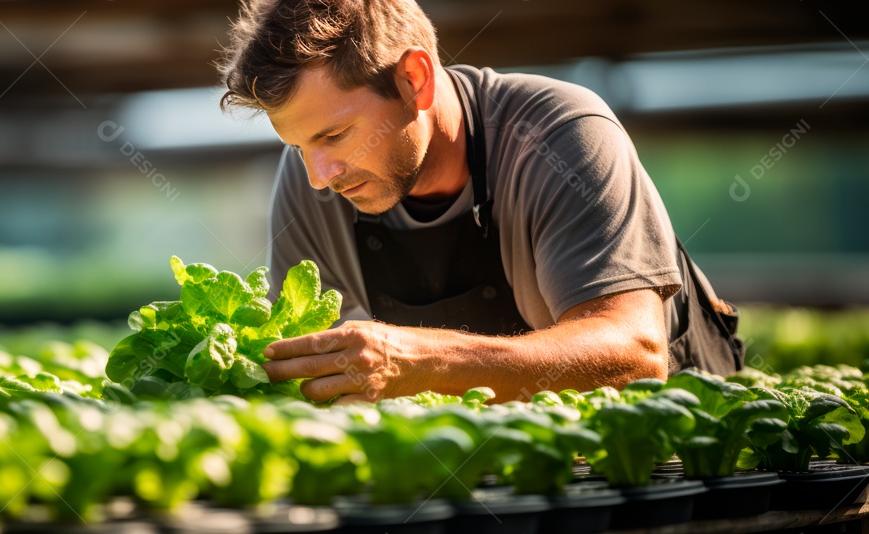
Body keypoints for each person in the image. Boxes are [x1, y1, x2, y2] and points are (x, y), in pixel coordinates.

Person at [216, 0, 744, 405]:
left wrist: (422, 361)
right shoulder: (313, 174)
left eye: (335, 135)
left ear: (414, 80)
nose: (317, 178)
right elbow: (312, 373)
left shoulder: (560, 135)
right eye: (298, 147)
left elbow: (634, 353)